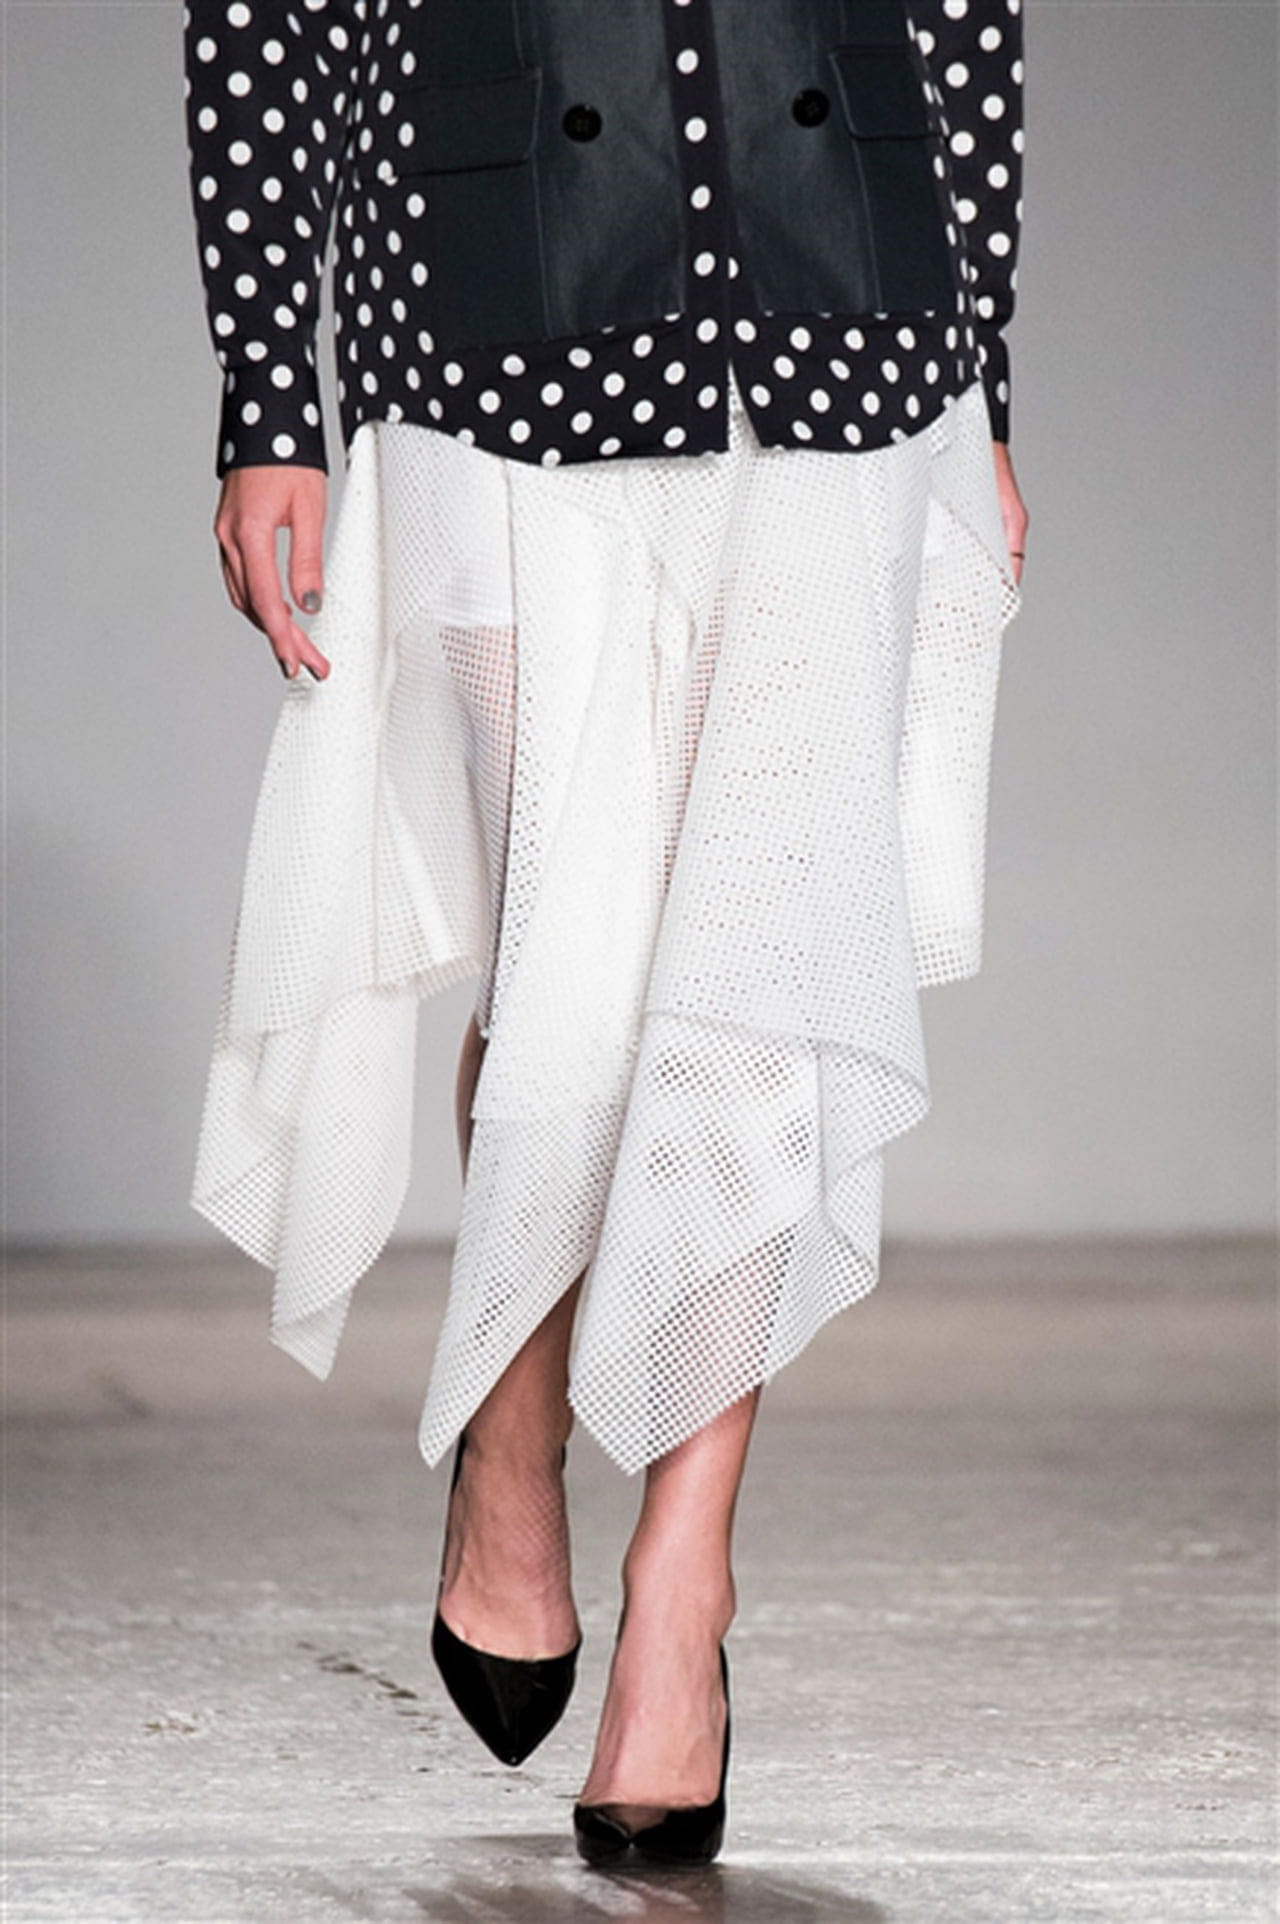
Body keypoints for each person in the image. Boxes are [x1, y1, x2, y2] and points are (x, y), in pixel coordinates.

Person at [184, 0, 1028, 1867]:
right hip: (496, 297)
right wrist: (267, 399)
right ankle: (514, 1425)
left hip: (838, 304)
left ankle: (682, 1587)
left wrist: (984, 378)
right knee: (566, 953)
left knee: (761, 984)